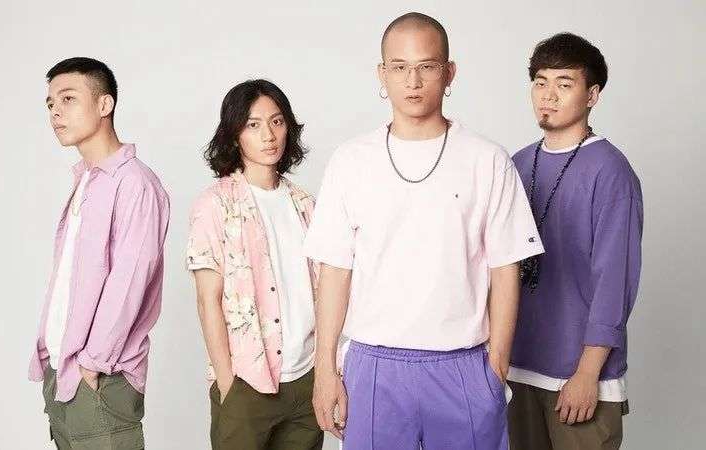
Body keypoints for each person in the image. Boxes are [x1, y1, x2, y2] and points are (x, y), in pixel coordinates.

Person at [304, 12, 544, 449]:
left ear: (449, 73)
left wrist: (495, 370)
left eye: (426, 66)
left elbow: (506, 270)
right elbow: (334, 271)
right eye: (399, 67)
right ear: (382, 74)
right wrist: (324, 371)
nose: (412, 81)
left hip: (464, 366)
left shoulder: (487, 160)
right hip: (374, 367)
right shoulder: (351, 161)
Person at [507, 33, 643, 450]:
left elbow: (614, 281)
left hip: (579, 376)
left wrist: (587, 373)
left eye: (564, 84)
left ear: (592, 95)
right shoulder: (516, 164)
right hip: (515, 367)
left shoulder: (610, 171)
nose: (548, 95)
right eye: (540, 82)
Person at [28, 57, 170, 449]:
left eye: (68, 99)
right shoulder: (87, 181)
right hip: (64, 372)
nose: (55, 112)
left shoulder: (136, 183)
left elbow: (129, 281)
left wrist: (92, 363)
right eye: (50, 103)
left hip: (101, 377)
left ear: (104, 104)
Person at [187, 79, 323, 450]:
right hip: (247, 382)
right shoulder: (215, 205)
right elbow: (207, 300)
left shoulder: (306, 205)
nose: (268, 135)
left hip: (306, 379)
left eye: (277, 122)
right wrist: (227, 382)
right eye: (253, 124)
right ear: (234, 136)